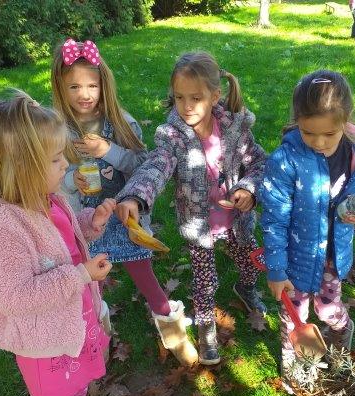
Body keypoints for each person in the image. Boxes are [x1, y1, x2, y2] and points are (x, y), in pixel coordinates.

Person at [0, 90, 122, 396]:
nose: (65, 164)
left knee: (78, 392)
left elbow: (60, 242)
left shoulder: (46, 198)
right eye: (54, 159)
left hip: (74, 324)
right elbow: (14, 296)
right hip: (45, 342)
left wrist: (89, 224)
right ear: (20, 166)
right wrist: (81, 275)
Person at [115, 51, 268, 365]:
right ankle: (205, 324)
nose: (186, 106)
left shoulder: (235, 128)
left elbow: (258, 163)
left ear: (215, 96)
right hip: (199, 225)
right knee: (205, 279)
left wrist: (248, 190)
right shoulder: (174, 137)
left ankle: (246, 287)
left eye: (196, 98)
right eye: (179, 97)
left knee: (249, 261)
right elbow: (156, 166)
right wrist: (135, 196)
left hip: (236, 219)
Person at [51, 38, 197, 366]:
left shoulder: (120, 122)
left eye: (92, 85)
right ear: (60, 88)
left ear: (104, 84)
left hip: (122, 216)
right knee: (91, 285)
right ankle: (96, 339)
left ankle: (172, 331)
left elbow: (143, 166)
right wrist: (71, 181)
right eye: (74, 86)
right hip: (84, 221)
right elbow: (48, 180)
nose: (84, 94)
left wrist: (108, 151)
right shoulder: (56, 130)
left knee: (143, 273)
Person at [259, 70, 355, 382]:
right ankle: (294, 368)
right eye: (309, 133)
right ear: (297, 121)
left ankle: (341, 330)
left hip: (333, 253)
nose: (319, 143)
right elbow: (274, 219)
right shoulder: (285, 161)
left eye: (329, 134)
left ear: (345, 120)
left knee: (327, 308)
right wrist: (276, 269)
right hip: (296, 256)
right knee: (293, 317)